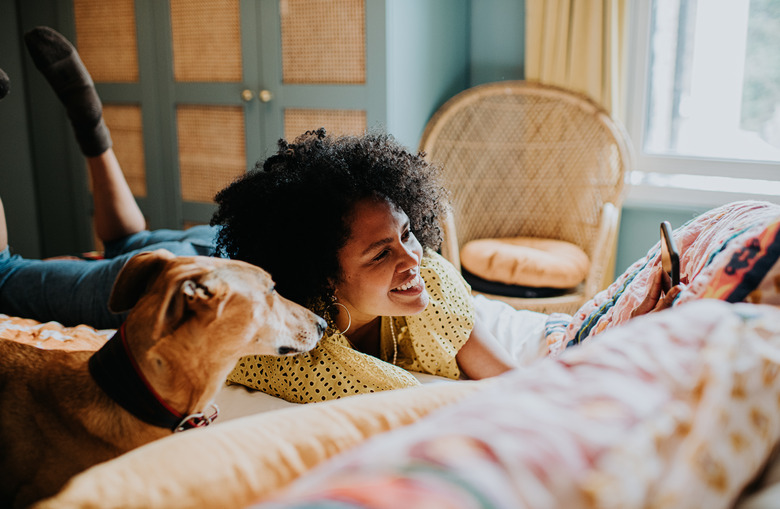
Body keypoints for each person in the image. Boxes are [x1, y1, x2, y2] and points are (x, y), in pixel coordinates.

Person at [0, 27, 679, 404]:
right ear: (323, 280)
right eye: (381, 253)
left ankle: (93, 134)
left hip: (255, 255)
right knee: (16, 275)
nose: (413, 259)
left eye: (407, 233)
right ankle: (89, 145)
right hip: (213, 271)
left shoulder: (433, 285)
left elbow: (508, 378)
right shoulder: (287, 355)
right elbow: (415, 403)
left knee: (131, 239)